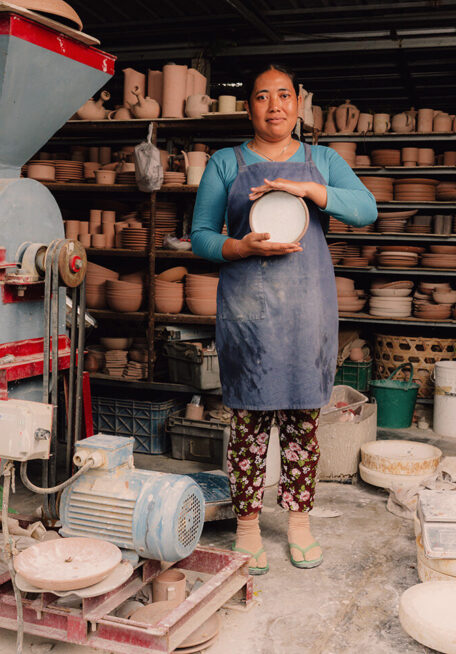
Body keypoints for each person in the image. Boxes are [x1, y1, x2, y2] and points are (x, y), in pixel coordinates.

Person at [191, 64, 377, 575]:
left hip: (306, 311)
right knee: (249, 423)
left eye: (284, 95)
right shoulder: (225, 164)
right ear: (248, 106)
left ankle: (299, 523)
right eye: (261, 97)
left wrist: (312, 192)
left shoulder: (323, 160)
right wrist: (237, 246)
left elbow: (366, 209)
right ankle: (248, 526)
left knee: (302, 422)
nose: (274, 105)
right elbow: (201, 235)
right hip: (249, 314)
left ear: (299, 103)